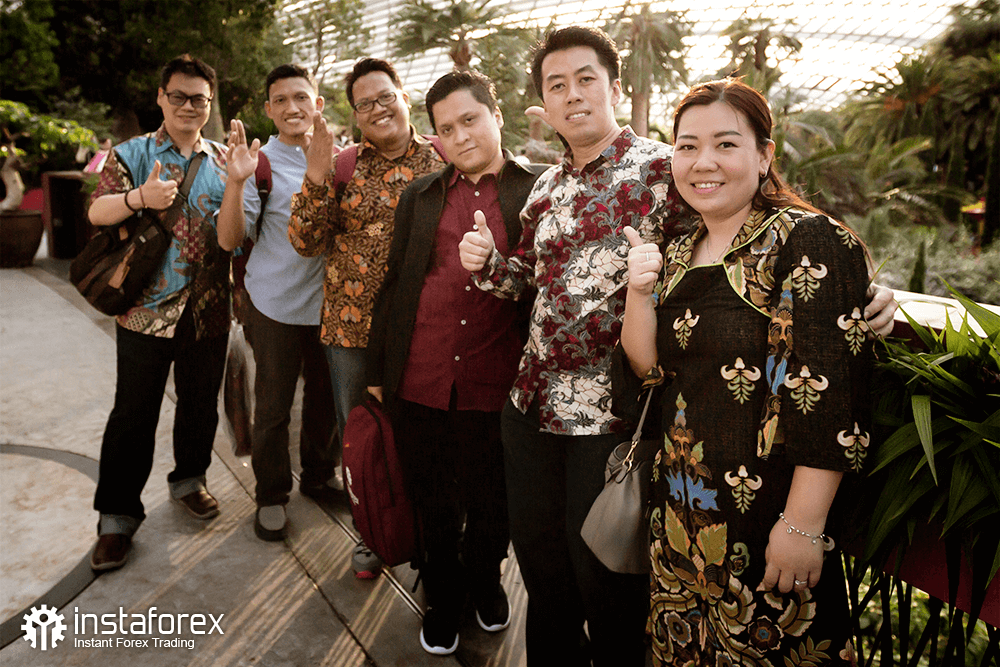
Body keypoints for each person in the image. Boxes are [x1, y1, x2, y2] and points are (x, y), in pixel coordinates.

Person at [459, 26, 897, 666]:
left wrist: (869, 295)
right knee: (543, 578)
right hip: (531, 409)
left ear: (615, 88)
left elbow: (766, 225)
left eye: (586, 79)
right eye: (557, 85)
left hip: (615, 420)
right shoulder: (545, 189)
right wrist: (489, 265)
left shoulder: (670, 167)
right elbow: (531, 280)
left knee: (606, 588)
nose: (572, 94)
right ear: (544, 105)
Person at [619, 77, 873, 666]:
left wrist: (803, 525)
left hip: (768, 522)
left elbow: (830, 395)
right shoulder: (678, 248)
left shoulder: (806, 239)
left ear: (763, 156)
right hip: (680, 518)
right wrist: (638, 289)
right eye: (687, 146)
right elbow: (648, 366)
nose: (702, 161)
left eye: (726, 144)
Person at [367, 70, 547, 655]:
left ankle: (486, 580)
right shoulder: (420, 196)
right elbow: (395, 285)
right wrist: (377, 374)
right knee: (432, 500)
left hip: (497, 381)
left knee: (494, 498)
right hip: (420, 377)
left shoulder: (536, 191)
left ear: (497, 115)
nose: (460, 136)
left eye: (470, 120)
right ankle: (442, 594)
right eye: (446, 129)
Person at [288, 57, 446, 577]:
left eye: (385, 97)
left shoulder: (444, 158)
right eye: (364, 104)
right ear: (355, 116)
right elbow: (305, 242)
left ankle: (430, 538)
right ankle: (373, 532)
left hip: (425, 330)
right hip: (352, 329)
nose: (377, 109)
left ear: (404, 97)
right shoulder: (343, 166)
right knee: (361, 436)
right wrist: (315, 175)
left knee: (424, 436)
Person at [88, 54, 236, 572]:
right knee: (132, 415)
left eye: (199, 98)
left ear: (209, 104)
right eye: (178, 96)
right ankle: (116, 518)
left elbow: (236, 236)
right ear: (160, 97)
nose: (188, 106)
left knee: (200, 406)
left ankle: (189, 481)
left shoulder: (225, 161)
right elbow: (96, 211)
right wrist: (139, 197)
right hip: (143, 310)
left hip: (208, 311)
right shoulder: (131, 154)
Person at [216, 64, 338, 543]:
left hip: (330, 307)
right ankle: (271, 493)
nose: (292, 108)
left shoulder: (339, 158)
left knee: (325, 401)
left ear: (317, 104)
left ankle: (319, 476)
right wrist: (235, 183)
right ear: (268, 110)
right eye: (281, 100)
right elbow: (230, 239)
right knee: (273, 408)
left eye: (301, 97)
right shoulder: (259, 164)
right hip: (274, 307)